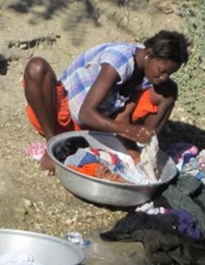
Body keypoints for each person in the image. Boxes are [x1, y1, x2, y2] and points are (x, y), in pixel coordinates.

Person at [23, 30, 189, 172]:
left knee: (168, 91)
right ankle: (53, 144)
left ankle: (144, 152)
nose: (163, 77)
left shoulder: (148, 74)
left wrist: (133, 150)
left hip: (98, 126)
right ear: (149, 54)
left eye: (169, 73)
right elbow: (85, 114)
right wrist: (129, 130)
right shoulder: (120, 59)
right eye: (162, 71)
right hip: (60, 118)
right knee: (37, 67)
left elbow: (123, 115)